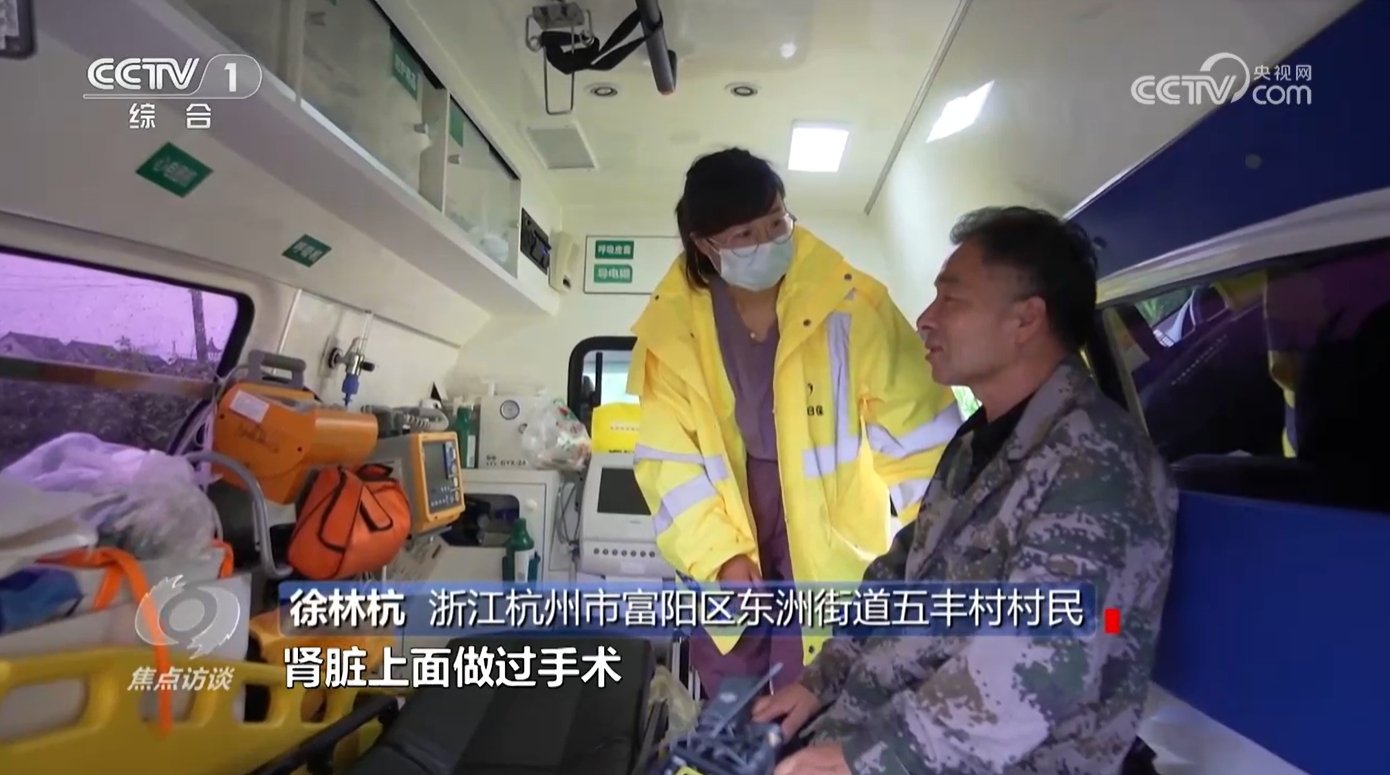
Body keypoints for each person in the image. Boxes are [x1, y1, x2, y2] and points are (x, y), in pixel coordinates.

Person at [753, 206, 1179, 775]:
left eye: (951, 299)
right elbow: (899, 578)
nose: (925, 319)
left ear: (1025, 320)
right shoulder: (979, 444)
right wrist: (818, 683)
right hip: (883, 725)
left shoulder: (1097, 465)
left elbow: (1038, 668)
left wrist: (860, 759)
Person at [628, 149, 962, 694]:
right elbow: (670, 462)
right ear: (705, 246)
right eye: (744, 235)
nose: (767, 242)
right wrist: (721, 557)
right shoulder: (670, 329)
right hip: (726, 511)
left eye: (776, 222)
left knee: (816, 674)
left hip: (828, 522)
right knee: (734, 677)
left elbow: (923, 440)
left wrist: (939, 553)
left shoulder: (851, 303)